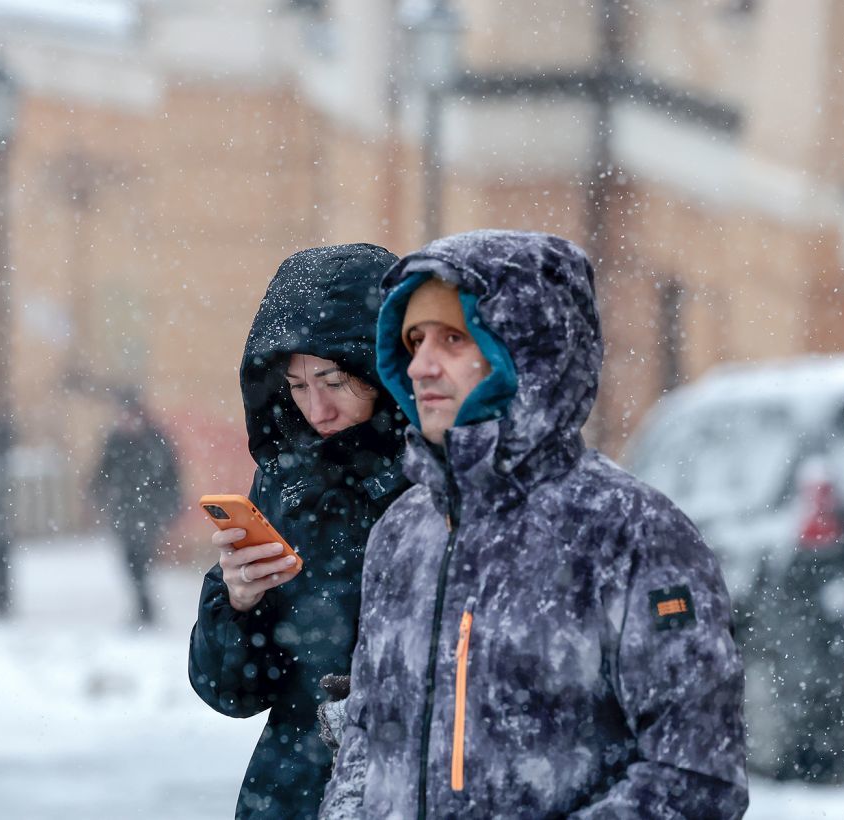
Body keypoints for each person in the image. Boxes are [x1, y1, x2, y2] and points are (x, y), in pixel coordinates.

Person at [320, 230, 749, 818]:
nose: (420, 365)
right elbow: (367, 740)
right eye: (414, 341)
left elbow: (695, 776)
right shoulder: (403, 532)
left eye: (452, 338)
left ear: (527, 353)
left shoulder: (629, 533)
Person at [187, 243, 409, 820]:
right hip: (292, 793)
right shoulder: (286, 481)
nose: (317, 408)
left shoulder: (436, 483)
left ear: (383, 369)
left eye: (334, 381)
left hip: (408, 789)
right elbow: (233, 693)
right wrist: (238, 602)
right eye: (298, 384)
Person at [90, 389, 182, 626]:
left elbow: (171, 477)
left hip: (149, 511)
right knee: (128, 560)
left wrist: (170, 507)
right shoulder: (115, 440)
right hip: (123, 509)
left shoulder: (155, 440)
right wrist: (96, 494)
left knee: (141, 557)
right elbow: (103, 471)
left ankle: (145, 607)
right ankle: (143, 604)